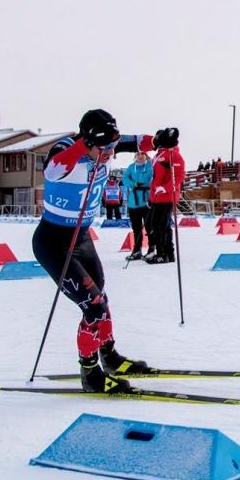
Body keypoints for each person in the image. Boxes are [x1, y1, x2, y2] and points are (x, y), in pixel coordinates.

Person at [32, 108, 178, 392]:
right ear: (88, 141)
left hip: (81, 238)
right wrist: (85, 145)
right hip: (54, 242)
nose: (111, 152)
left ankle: (109, 356)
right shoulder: (66, 151)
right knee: (93, 305)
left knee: (101, 298)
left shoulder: (107, 146)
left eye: (113, 146)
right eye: (106, 147)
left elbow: (136, 142)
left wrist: (161, 139)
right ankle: (90, 374)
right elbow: (52, 168)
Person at [145, 135, 186, 264]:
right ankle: (166, 252)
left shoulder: (173, 154)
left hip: (167, 197)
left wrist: (166, 188)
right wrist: (151, 196)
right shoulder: (158, 154)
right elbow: (156, 177)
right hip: (157, 197)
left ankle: (163, 254)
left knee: (160, 226)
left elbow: (179, 176)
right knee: (154, 225)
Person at [121, 151, 154, 260]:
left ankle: (151, 249)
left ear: (146, 156)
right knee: (136, 228)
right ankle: (137, 250)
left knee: (149, 226)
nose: (140, 156)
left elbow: (147, 178)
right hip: (133, 202)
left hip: (146, 201)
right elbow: (124, 179)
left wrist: (138, 181)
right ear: (135, 156)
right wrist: (134, 184)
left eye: (142, 154)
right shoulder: (131, 167)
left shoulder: (149, 166)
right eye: (138, 154)